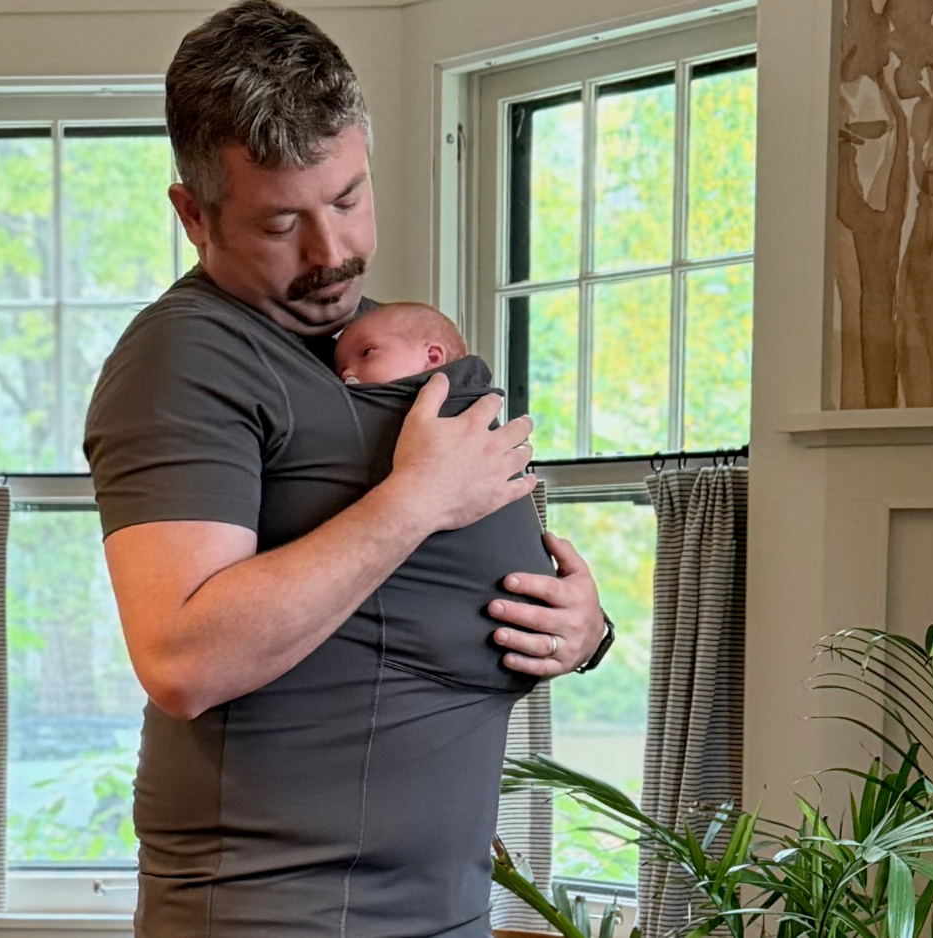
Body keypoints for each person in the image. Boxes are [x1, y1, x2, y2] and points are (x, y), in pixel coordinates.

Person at [82, 2, 614, 934]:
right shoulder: (184, 359)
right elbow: (181, 658)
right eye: (283, 221)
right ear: (192, 214)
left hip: (438, 908)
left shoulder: (369, 344)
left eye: (347, 199)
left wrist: (582, 629)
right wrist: (415, 501)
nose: (332, 255)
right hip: (274, 914)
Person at [332, 301, 466, 385]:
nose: (346, 374)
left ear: (432, 357)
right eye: (341, 370)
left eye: (367, 352)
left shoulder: (465, 405)